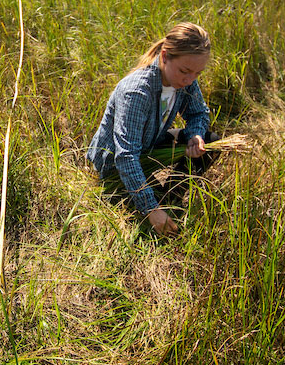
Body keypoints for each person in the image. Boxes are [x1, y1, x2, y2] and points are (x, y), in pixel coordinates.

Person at [87, 22, 219, 237]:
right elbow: (126, 156)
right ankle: (156, 205)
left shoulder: (185, 79)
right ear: (165, 56)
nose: (189, 80)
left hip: (149, 144)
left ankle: (170, 199)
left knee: (211, 141)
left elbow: (198, 113)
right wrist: (151, 209)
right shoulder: (137, 92)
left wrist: (195, 134)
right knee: (144, 199)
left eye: (197, 74)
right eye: (185, 71)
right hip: (116, 164)